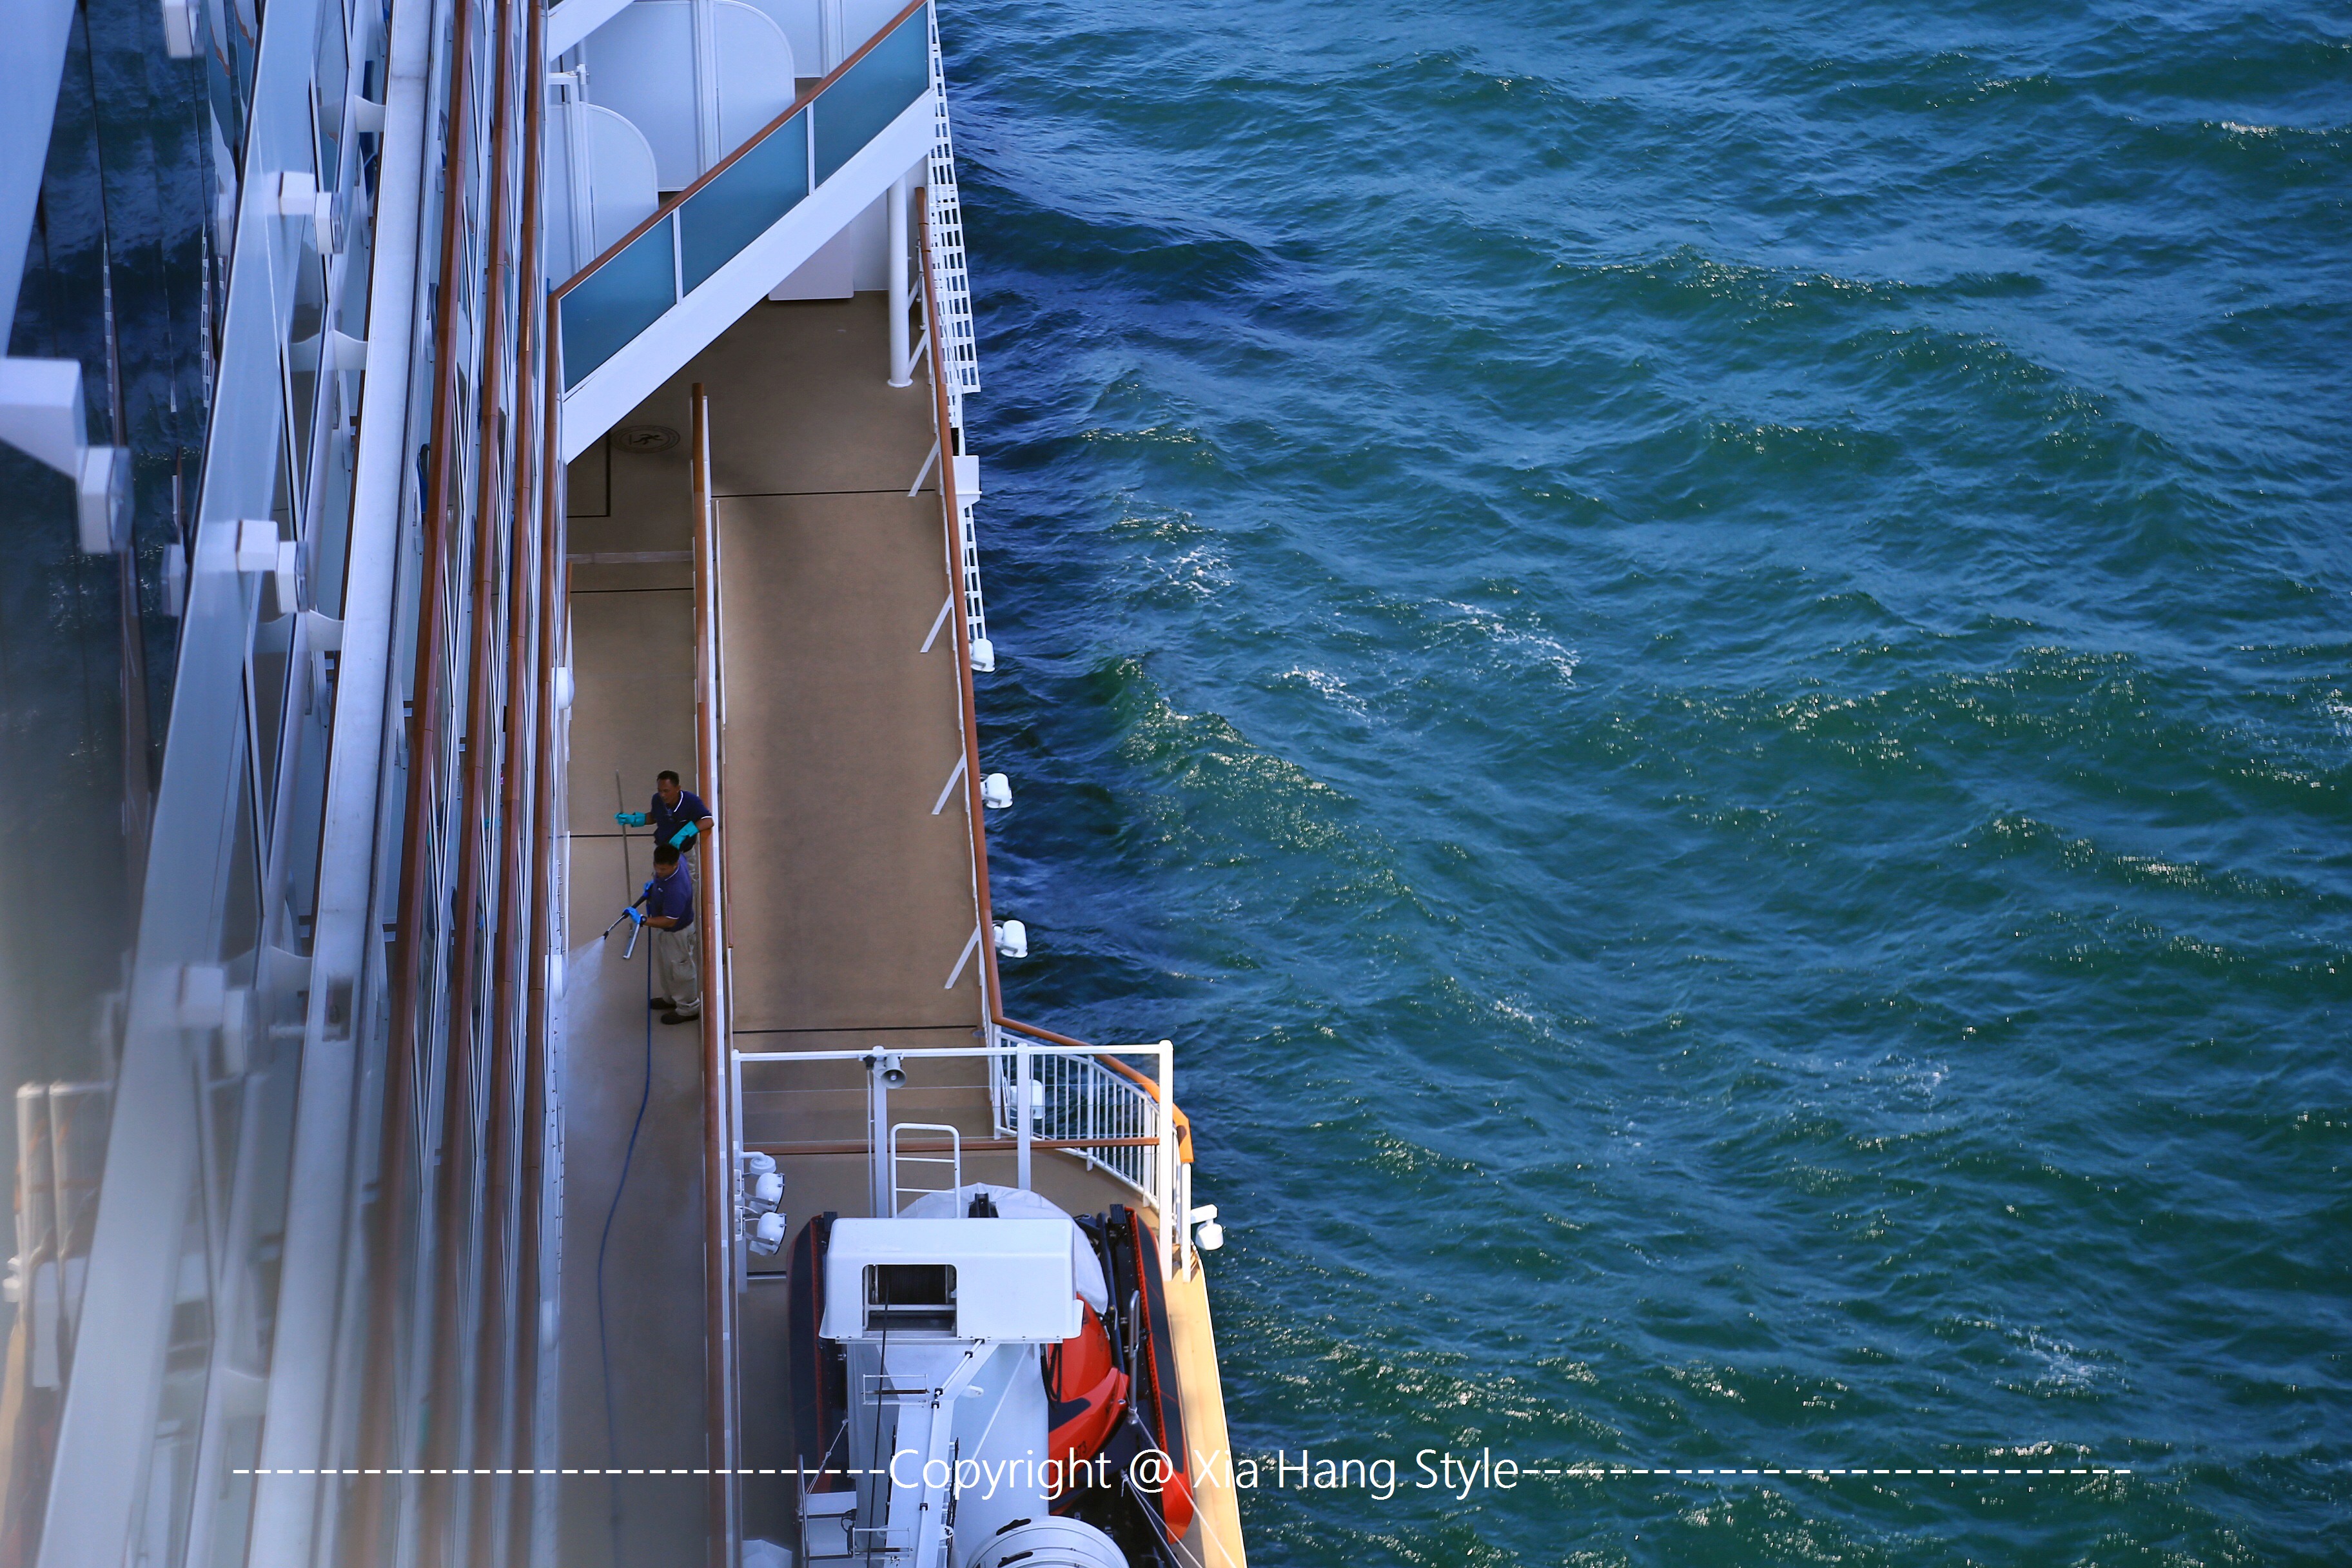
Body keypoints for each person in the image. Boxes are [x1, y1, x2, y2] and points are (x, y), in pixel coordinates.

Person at [641, 843, 700, 1025]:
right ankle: (671, 999)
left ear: (675, 865)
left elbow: (670, 920)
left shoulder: (676, 889)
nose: (659, 871)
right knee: (667, 967)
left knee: (680, 971)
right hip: (667, 932)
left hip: (678, 933)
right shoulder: (672, 865)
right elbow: (660, 878)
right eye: (656, 867)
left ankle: (688, 1009)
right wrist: (654, 888)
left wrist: (643, 920)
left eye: (663, 869)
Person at [616, 769, 714, 856]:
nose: (662, 795)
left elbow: (708, 821)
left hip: (684, 851)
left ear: (678, 788)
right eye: (660, 791)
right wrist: (634, 819)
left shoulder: (691, 801)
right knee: (661, 875)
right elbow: (654, 817)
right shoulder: (657, 799)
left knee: (685, 876)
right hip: (662, 850)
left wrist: (684, 834)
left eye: (666, 791)